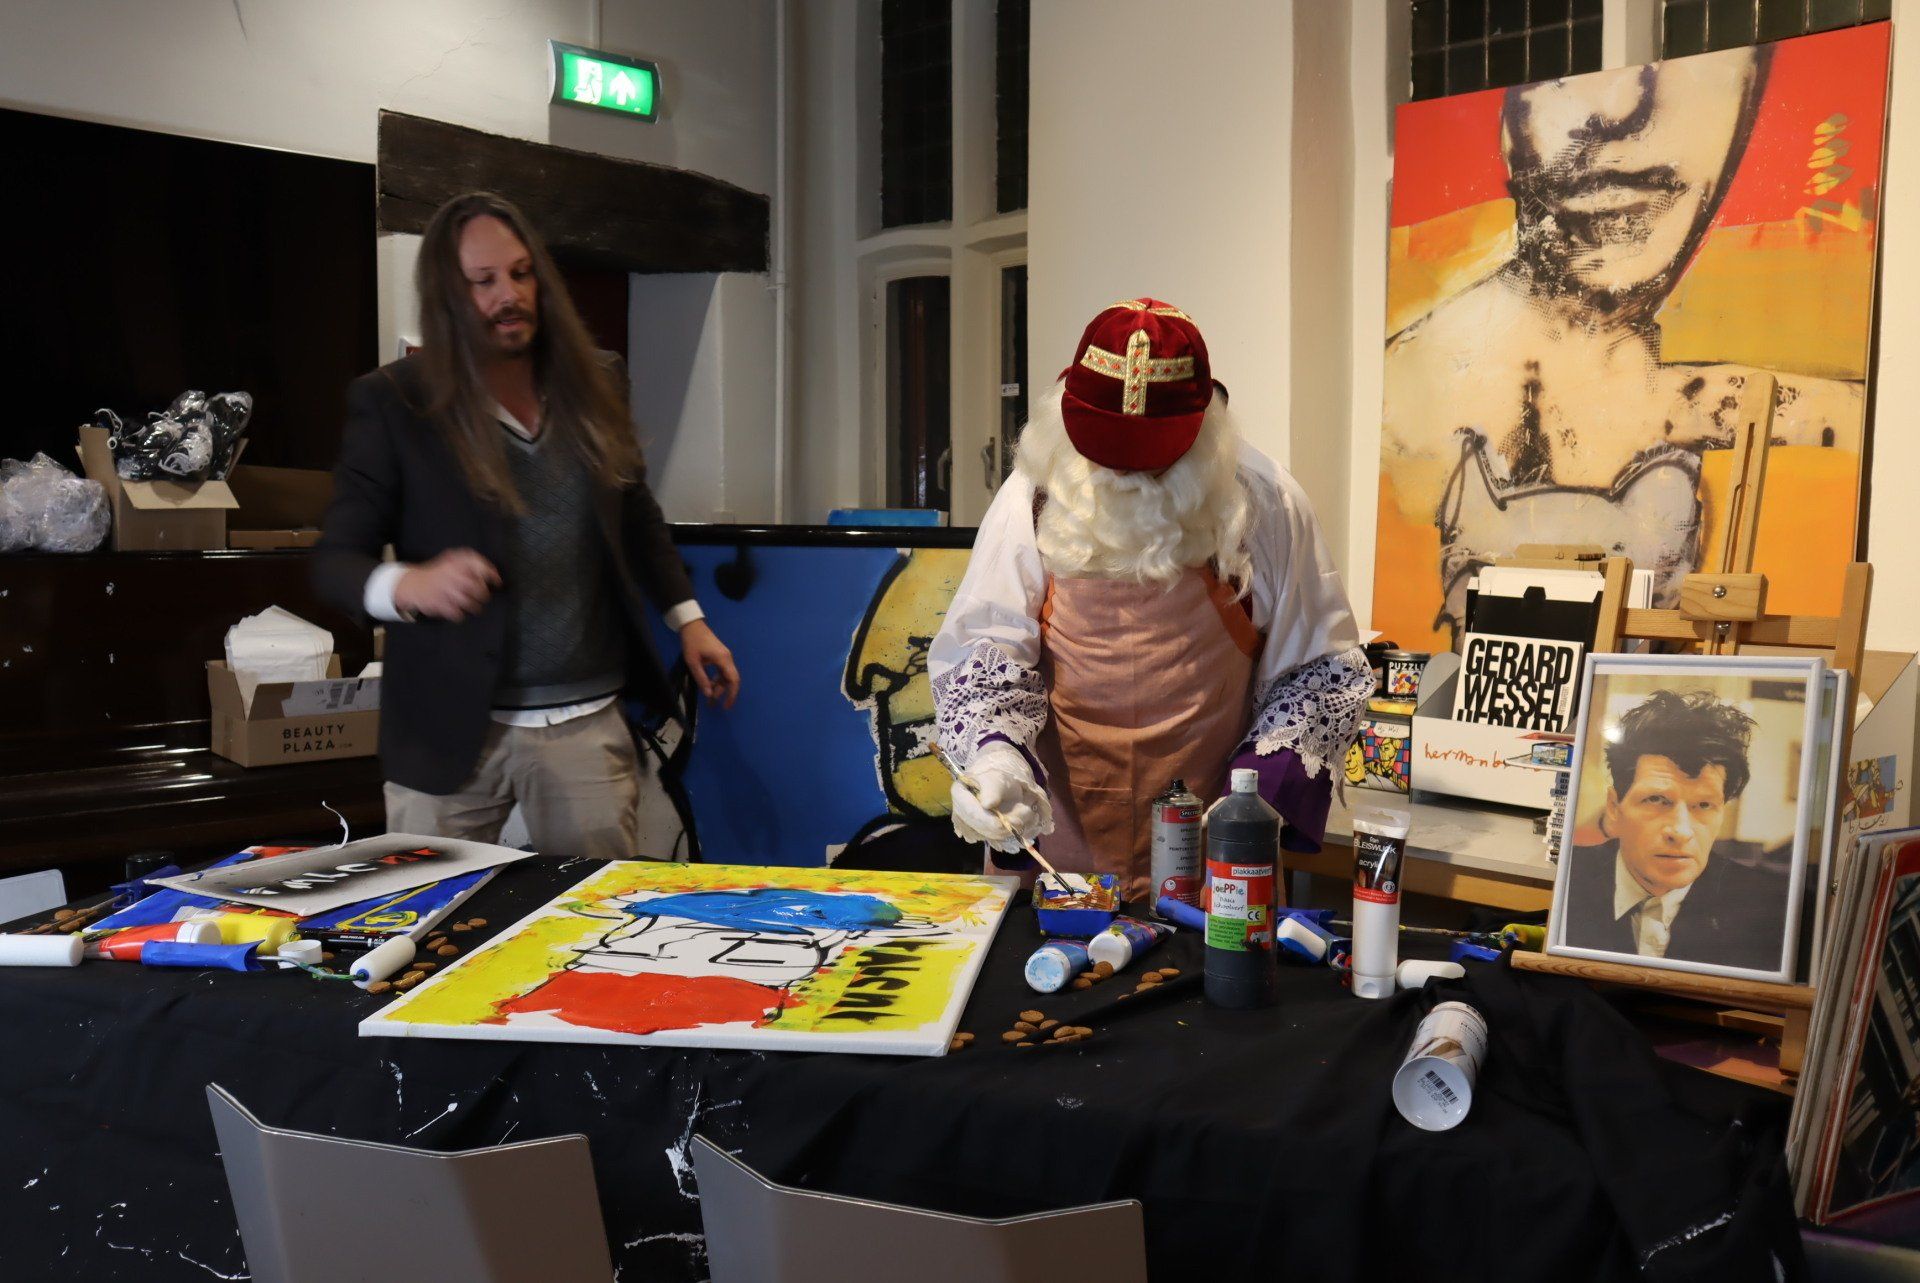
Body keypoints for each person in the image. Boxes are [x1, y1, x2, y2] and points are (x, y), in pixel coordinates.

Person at [313, 191, 739, 858]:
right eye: (483, 281)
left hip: (584, 723)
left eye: (520, 273)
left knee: (592, 911)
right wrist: (408, 585)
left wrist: (690, 620)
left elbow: (634, 512)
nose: (508, 295)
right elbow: (335, 559)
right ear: (448, 294)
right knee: (434, 910)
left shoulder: (598, 379)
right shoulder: (394, 400)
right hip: (447, 728)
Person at [1382, 48, 1862, 635]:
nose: (1617, 109)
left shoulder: (1800, 425)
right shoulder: (1403, 416)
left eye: (1685, 71)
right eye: (1555, 82)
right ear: (1509, 129)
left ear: (1752, 88)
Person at [929, 298, 1373, 898]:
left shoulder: (1264, 502)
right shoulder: (1031, 495)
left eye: (1153, 464)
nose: (1126, 479)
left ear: (1203, 430)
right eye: (1106, 455)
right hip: (1051, 844)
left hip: (1218, 855)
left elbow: (1319, 672)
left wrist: (1257, 794)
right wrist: (995, 759)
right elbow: (983, 652)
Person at [1560, 689, 1789, 973]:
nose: (1680, 831)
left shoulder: (1769, 911)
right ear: (1614, 806)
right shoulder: (1566, 878)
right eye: (1656, 800)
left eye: (1704, 805)